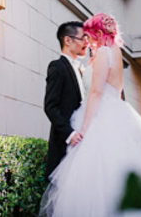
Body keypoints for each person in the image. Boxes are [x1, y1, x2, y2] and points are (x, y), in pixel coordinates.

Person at [40, 13, 141, 217]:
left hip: (99, 114)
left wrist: (86, 127)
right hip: (118, 111)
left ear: (98, 32)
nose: (87, 41)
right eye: (83, 37)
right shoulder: (116, 52)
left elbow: (97, 92)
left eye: (88, 35)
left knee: (97, 179)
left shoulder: (101, 54)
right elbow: (115, 92)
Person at [44, 21, 89, 179]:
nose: (86, 42)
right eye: (82, 38)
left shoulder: (79, 69)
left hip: (83, 141)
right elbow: (50, 106)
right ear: (68, 40)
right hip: (66, 142)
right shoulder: (57, 67)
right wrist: (70, 134)